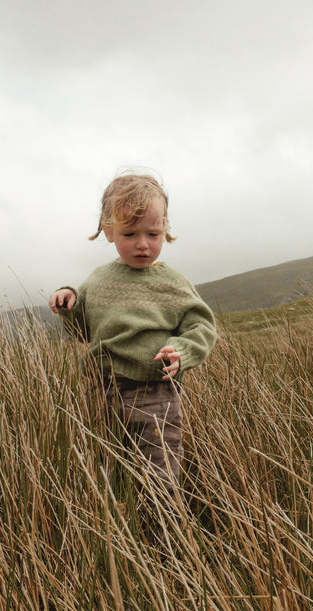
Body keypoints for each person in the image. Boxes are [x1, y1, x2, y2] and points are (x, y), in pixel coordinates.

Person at [49, 172, 217, 505]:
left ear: (165, 229)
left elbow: (202, 327)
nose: (143, 244)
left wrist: (181, 351)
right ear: (109, 231)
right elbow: (84, 331)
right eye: (130, 233)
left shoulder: (172, 283)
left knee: (160, 478)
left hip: (156, 393)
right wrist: (69, 303)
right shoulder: (98, 281)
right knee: (104, 474)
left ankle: (164, 543)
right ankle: (115, 537)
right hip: (101, 391)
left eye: (153, 234)